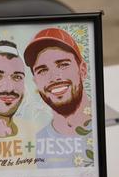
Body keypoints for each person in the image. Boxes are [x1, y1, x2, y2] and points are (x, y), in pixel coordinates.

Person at [23, 28, 94, 168]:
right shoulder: (34, 144)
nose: (54, 77)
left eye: (63, 65)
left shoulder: (104, 132)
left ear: (83, 70)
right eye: (42, 70)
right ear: (36, 81)